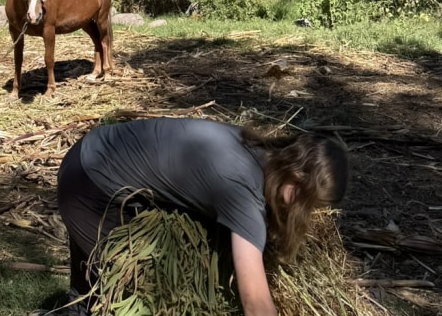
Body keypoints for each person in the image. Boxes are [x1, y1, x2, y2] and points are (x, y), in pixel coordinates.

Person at [56, 117, 349, 316]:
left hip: (96, 150)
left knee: (93, 276)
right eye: (311, 204)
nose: (308, 213)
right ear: (296, 179)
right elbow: (256, 303)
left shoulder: (257, 152)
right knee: (127, 292)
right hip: (91, 182)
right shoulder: (242, 190)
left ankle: (76, 307)